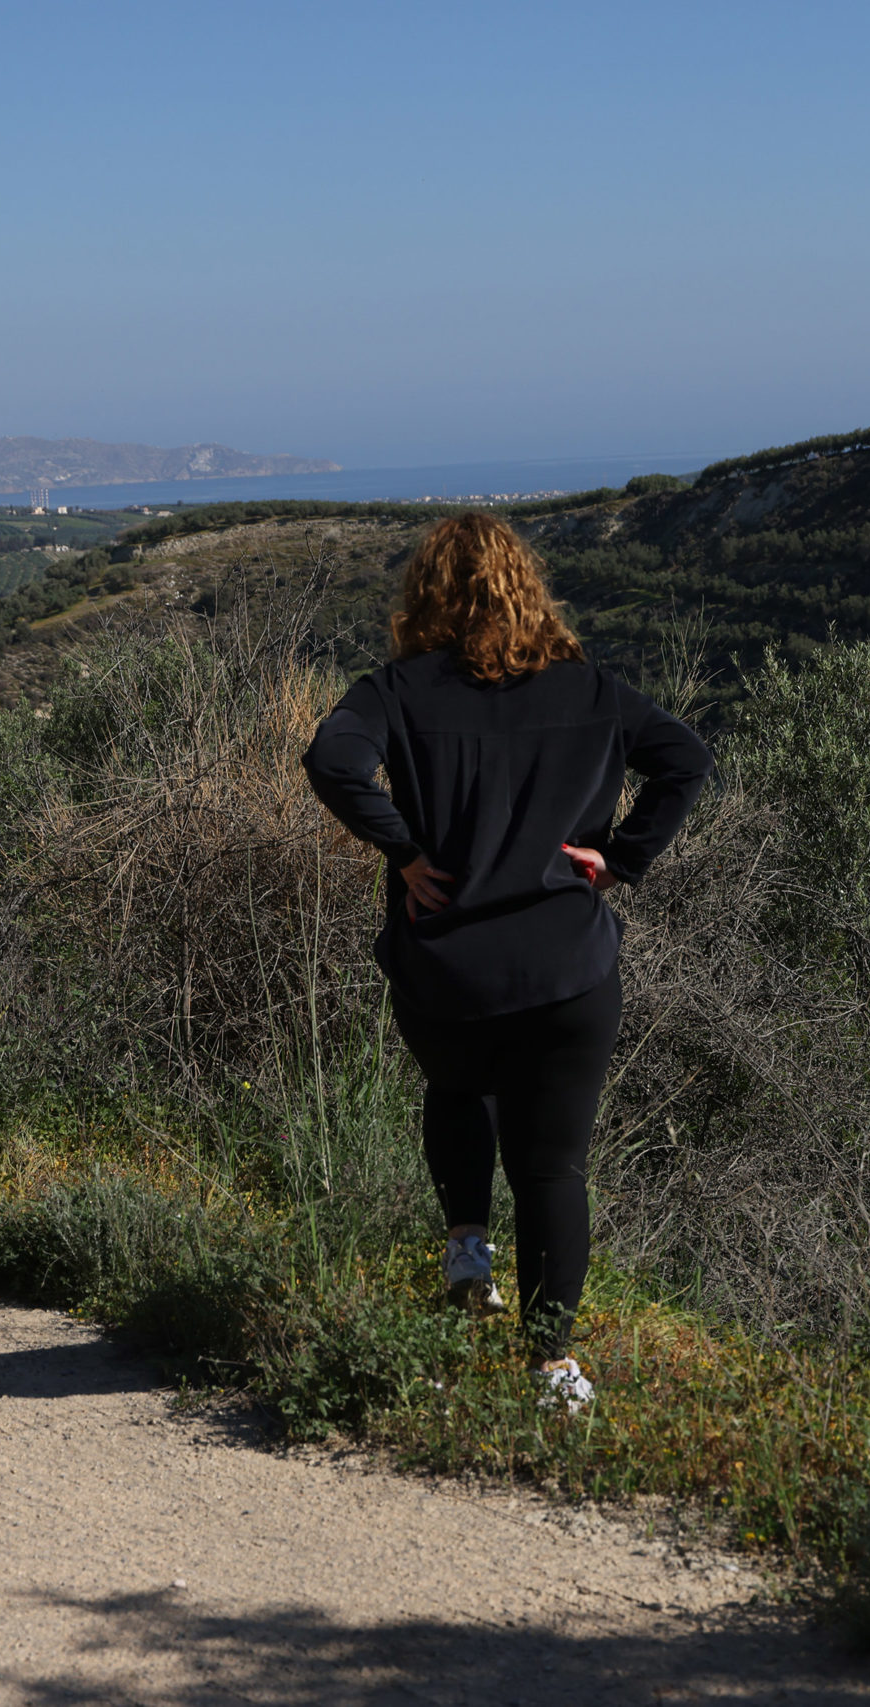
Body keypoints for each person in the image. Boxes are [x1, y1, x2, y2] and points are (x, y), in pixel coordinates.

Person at [303, 512, 711, 1410]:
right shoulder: (591, 689)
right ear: (527, 588)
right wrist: (622, 858)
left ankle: (466, 1246)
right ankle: (552, 1369)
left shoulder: (397, 690)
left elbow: (332, 758)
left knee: (458, 1082)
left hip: (447, 965)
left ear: (426, 593)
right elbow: (686, 758)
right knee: (553, 1169)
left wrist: (404, 851)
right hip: (568, 968)